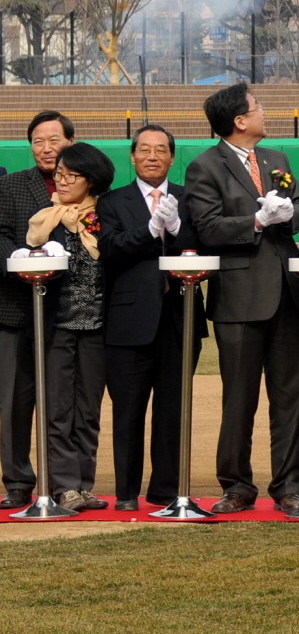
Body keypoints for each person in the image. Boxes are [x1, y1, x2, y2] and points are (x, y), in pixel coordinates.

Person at [182, 84, 299, 514]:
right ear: (239, 120)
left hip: (286, 295)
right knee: (239, 399)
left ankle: (289, 487)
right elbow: (207, 228)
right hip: (238, 299)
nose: (264, 112)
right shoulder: (205, 167)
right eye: (257, 107)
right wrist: (256, 221)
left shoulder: (276, 159)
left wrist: (290, 216)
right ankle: (236, 485)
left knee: (289, 398)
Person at [97, 123, 202, 512]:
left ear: (172, 157)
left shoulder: (190, 198)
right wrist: (149, 230)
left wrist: (177, 229)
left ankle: (166, 491)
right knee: (128, 411)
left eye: (161, 150)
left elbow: (205, 246)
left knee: (173, 410)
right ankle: (126, 493)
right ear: (133, 156)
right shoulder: (112, 201)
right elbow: (110, 248)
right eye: (144, 149)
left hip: (180, 318)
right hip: (128, 321)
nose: (152, 156)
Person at [18, 142, 117, 511]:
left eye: (70, 176)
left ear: (90, 180)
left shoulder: (106, 217)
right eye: (58, 174)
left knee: (88, 411)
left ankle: (84, 484)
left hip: (98, 328)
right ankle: (64, 486)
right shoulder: (44, 219)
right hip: (56, 327)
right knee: (57, 409)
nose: (61, 181)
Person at [0, 110, 70, 508]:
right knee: (13, 401)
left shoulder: (84, 185)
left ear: (70, 143)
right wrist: (24, 262)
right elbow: (0, 236)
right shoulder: (10, 185)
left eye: (54, 140)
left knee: (64, 402)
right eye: (38, 141)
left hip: (69, 312)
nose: (46, 148)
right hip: (15, 308)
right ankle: (17, 480)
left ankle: (65, 481)